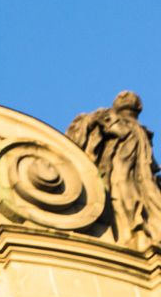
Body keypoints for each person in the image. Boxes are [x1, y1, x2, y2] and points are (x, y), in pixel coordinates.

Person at [67, 91, 161, 252]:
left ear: (139, 106)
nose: (125, 97)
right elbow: (77, 134)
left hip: (142, 178)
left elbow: (151, 163)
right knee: (124, 196)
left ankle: (145, 233)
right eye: (122, 96)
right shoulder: (106, 115)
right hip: (117, 170)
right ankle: (129, 233)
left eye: (130, 96)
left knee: (149, 199)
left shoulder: (141, 131)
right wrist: (92, 121)